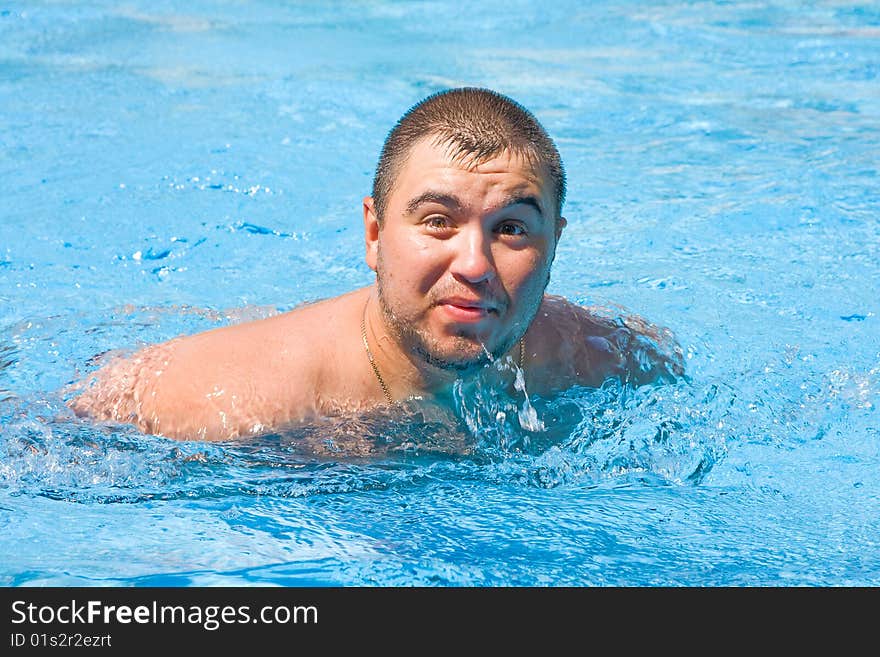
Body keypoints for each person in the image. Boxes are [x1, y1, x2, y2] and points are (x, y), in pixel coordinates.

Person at [68, 87, 683, 442]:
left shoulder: (601, 356)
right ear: (374, 232)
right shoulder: (219, 401)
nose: (474, 264)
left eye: (512, 229)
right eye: (437, 221)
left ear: (554, 245)